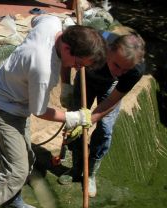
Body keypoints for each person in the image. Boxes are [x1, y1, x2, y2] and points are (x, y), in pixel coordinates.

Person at [0, 15, 107, 208]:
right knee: (17, 170)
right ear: (68, 48)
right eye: (79, 64)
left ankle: (11, 197)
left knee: (27, 158)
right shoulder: (43, 67)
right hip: (2, 106)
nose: (78, 69)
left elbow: (37, 19)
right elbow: (39, 110)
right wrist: (74, 117)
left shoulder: (52, 23)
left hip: (16, 98)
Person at [58, 30, 146, 198]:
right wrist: (65, 85)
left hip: (110, 87)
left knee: (105, 129)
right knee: (75, 124)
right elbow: (66, 57)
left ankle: (90, 173)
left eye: (125, 69)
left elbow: (113, 99)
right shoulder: (93, 42)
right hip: (86, 78)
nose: (120, 72)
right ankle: (77, 169)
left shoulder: (135, 70)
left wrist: (91, 119)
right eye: (116, 65)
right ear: (108, 51)